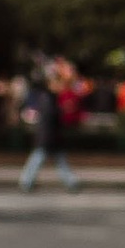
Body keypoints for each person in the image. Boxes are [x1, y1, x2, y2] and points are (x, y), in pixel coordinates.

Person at [17, 60, 78, 195]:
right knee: (39, 159)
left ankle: (71, 182)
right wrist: (63, 110)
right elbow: (51, 116)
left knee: (55, 161)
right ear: (51, 84)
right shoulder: (48, 98)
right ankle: (26, 182)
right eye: (58, 83)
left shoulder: (50, 98)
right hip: (48, 136)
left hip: (50, 136)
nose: (60, 86)